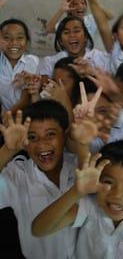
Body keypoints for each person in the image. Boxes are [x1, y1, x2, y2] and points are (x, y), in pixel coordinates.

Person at [32, 139, 123, 259]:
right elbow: (38, 230)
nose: (117, 194)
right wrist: (76, 192)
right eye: (108, 182)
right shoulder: (88, 206)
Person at [0, 100, 78, 259]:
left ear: (65, 135)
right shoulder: (18, 174)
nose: (42, 143)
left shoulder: (79, 167)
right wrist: (7, 150)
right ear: (25, 143)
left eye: (51, 134)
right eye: (32, 137)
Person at [38, 16, 110, 79]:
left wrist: (93, 73)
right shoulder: (51, 62)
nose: (72, 35)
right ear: (60, 41)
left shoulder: (101, 58)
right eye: (66, 32)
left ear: (86, 37)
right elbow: (43, 91)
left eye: (76, 31)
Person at [0, 19, 39, 114]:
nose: (14, 42)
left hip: (27, 117)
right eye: (7, 37)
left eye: (20, 37)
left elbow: (26, 98)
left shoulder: (32, 61)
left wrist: (7, 116)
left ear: (26, 42)